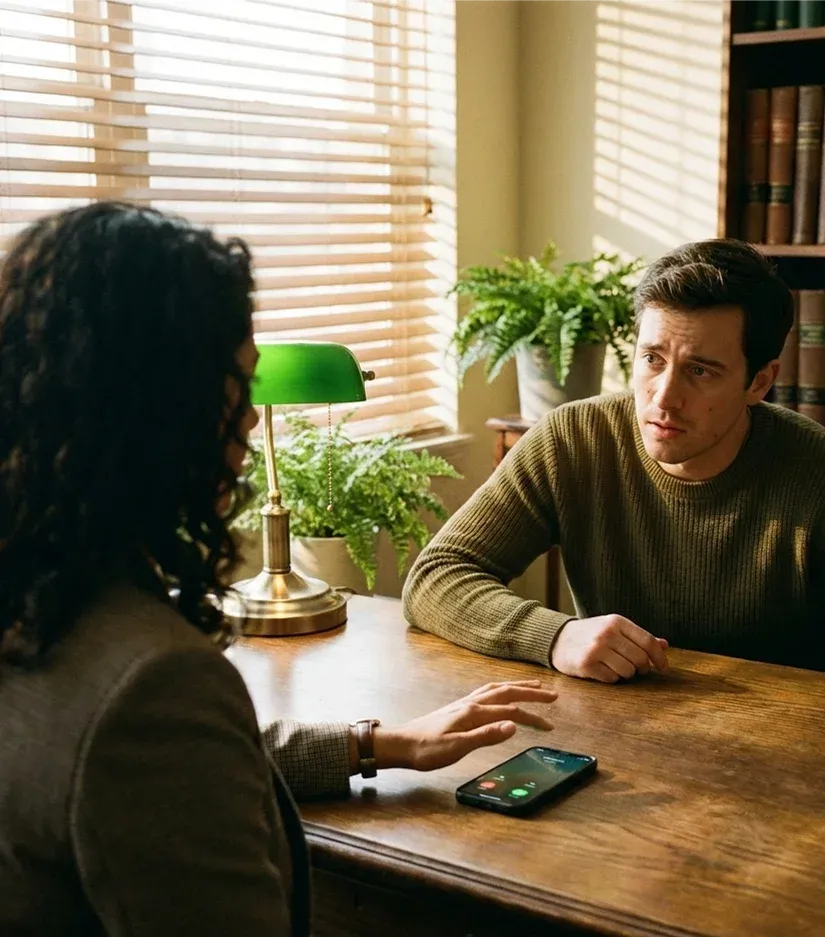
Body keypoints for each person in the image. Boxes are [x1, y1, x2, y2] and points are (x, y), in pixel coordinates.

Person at [0, 202, 557, 937]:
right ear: (161, 410)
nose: (253, 422)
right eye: (237, 383)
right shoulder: (149, 682)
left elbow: (164, 768)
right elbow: (149, 743)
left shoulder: (37, 594)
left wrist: (380, 743)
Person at [403, 238, 825, 689]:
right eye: (652, 360)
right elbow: (436, 578)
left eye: (700, 371)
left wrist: (779, 727)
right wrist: (555, 637)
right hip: (616, 741)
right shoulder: (573, 439)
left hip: (779, 761)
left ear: (759, 383)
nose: (663, 398)